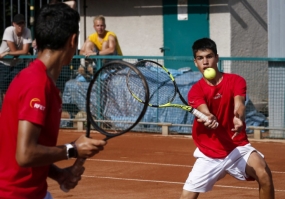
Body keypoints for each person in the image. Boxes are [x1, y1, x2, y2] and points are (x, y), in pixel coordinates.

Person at [0, 3, 106, 199]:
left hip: (35, 192)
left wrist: (59, 174)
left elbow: (28, 149)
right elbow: (25, 154)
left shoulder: (37, 80)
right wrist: (73, 150)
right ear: (72, 41)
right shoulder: (37, 85)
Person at [179, 38, 274, 199]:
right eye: (200, 58)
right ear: (195, 62)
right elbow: (203, 109)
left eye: (209, 56)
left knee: (264, 174)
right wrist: (207, 116)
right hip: (209, 153)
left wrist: (239, 117)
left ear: (217, 57)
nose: (206, 62)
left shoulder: (236, 80)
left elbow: (240, 103)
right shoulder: (195, 90)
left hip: (237, 146)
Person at [0, 13, 32, 102]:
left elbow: (25, 51)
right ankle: (6, 109)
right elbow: (15, 50)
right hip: (4, 63)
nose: (20, 26)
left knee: (17, 87)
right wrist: (17, 53)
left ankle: (15, 108)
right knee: (4, 89)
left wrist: (7, 53)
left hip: (18, 63)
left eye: (22, 23)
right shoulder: (8, 30)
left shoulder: (27, 31)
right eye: (18, 24)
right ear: (13, 24)